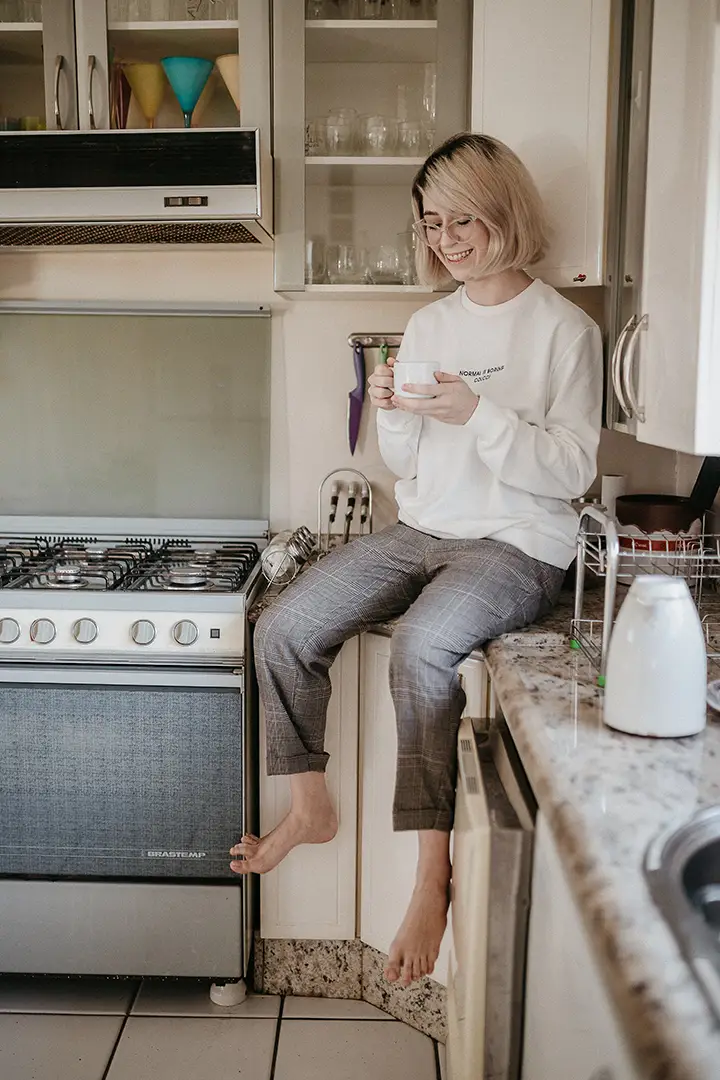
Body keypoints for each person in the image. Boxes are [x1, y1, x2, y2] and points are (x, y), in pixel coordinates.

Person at [230, 132, 603, 988]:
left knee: (422, 648)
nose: (446, 239)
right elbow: (406, 461)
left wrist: (479, 413)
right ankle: (310, 806)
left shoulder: (566, 330)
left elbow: (573, 471)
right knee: (282, 625)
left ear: (504, 212)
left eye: (462, 219)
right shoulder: (432, 321)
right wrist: (395, 410)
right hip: (423, 526)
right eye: (432, 223)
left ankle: (432, 874)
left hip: (517, 541)